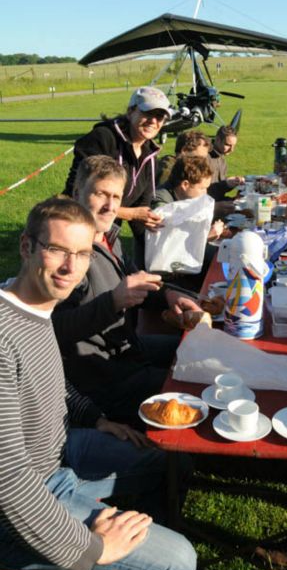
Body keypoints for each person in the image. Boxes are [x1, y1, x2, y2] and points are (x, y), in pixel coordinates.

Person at [0, 196, 196, 570]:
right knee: (178, 562)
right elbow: (9, 478)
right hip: (20, 505)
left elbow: (50, 383)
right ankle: (100, 566)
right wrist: (92, 549)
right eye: (57, 250)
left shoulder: (36, 307)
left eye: (82, 254)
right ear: (26, 246)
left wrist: (97, 418)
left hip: (62, 456)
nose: (71, 268)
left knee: (172, 462)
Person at [54, 156, 202, 426]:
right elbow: (54, 330)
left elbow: (135, 280)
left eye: (116, 197)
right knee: (196, 385)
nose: (110, 206)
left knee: (196, 350)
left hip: (129, 348)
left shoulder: (108, 237)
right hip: (106, 380)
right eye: (100, 194)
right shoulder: (66, 253)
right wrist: (113, 301)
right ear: (77, 193)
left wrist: (169, 295)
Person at [63, 86, 173, 264]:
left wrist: (159, 249)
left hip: (106, 232)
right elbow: (75, 196)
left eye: (160, 116)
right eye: (147, 113)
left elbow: (141, 207)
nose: (153, 121)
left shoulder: (149, 154)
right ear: (130, 112)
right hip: (76, 229)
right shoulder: (103, 139)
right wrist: (131, 214)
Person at [152, 154, 225, 242]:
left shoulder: (184, 198)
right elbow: (166, 241)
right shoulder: (161, 205)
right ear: (185, 185)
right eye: (202, 188)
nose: (205, 193)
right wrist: (205, 236)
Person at [207, 125, 245, 204]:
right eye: (228, 145)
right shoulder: (205, 158)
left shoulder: (221, 158)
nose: (232, 150)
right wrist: (226, 184)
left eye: (234, 146)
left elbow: (219, 191)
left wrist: (232, 182)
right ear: (217, 139)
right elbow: (206, 193)